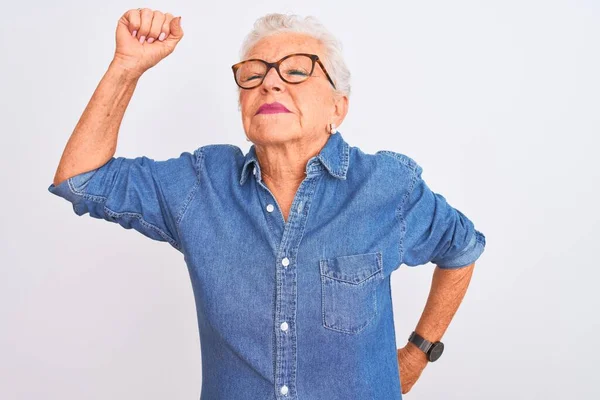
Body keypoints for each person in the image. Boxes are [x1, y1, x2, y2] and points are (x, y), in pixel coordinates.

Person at [48, 8, 486, 399]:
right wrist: (127, 67)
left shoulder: (388, 187)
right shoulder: (201, 185)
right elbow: (81, 178)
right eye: (253, 74)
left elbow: (462, 249)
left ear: (339, 107)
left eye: (296, 71)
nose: (270, 81)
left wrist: (418, 352)